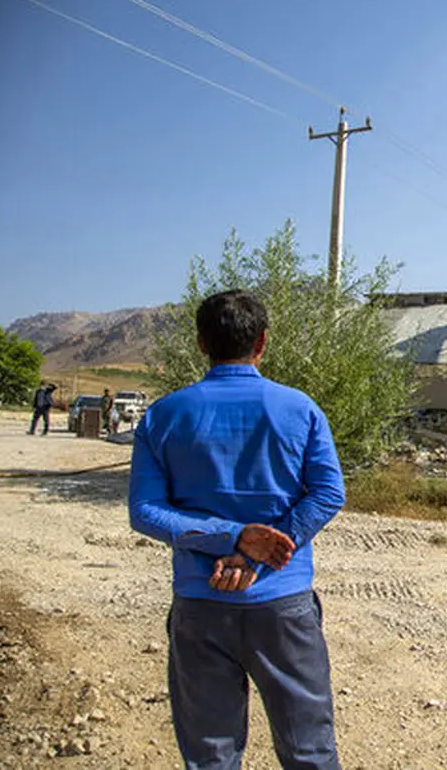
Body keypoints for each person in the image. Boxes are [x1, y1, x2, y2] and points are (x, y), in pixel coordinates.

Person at [128, 289, 345, 768]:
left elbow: (145, 511)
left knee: (211, 755)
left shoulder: (163, 415)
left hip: (201, 604)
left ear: (202, 343)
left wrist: (231, 541)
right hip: (283, 606)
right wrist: (257, 549)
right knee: (309, 749)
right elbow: (329, 493)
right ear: (263, 342)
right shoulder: (301, 409)